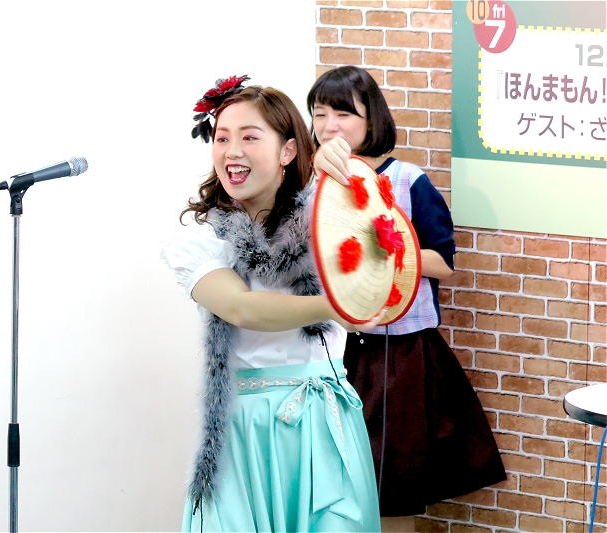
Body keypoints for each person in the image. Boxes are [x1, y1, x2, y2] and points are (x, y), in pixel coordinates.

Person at [161, 76, 382, 532]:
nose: (232, 151)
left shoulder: (326, 220)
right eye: (222, 138)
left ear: (287, 151)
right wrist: (336, 306)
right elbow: (242, 309)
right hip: (247, 431)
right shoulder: (202, 242)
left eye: (249, 138)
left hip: (326, 422)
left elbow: (372, 236)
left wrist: (334, 166)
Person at [308, 65, 507, 532]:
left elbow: (445, 262)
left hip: (397, 355)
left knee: (393, 489)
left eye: (343, 114)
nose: (330, 126)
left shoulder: (407, 180)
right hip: (329, 349)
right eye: (319, 114)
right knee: (331, 485)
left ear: (371, 119)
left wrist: (388, 248)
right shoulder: (310, 185)